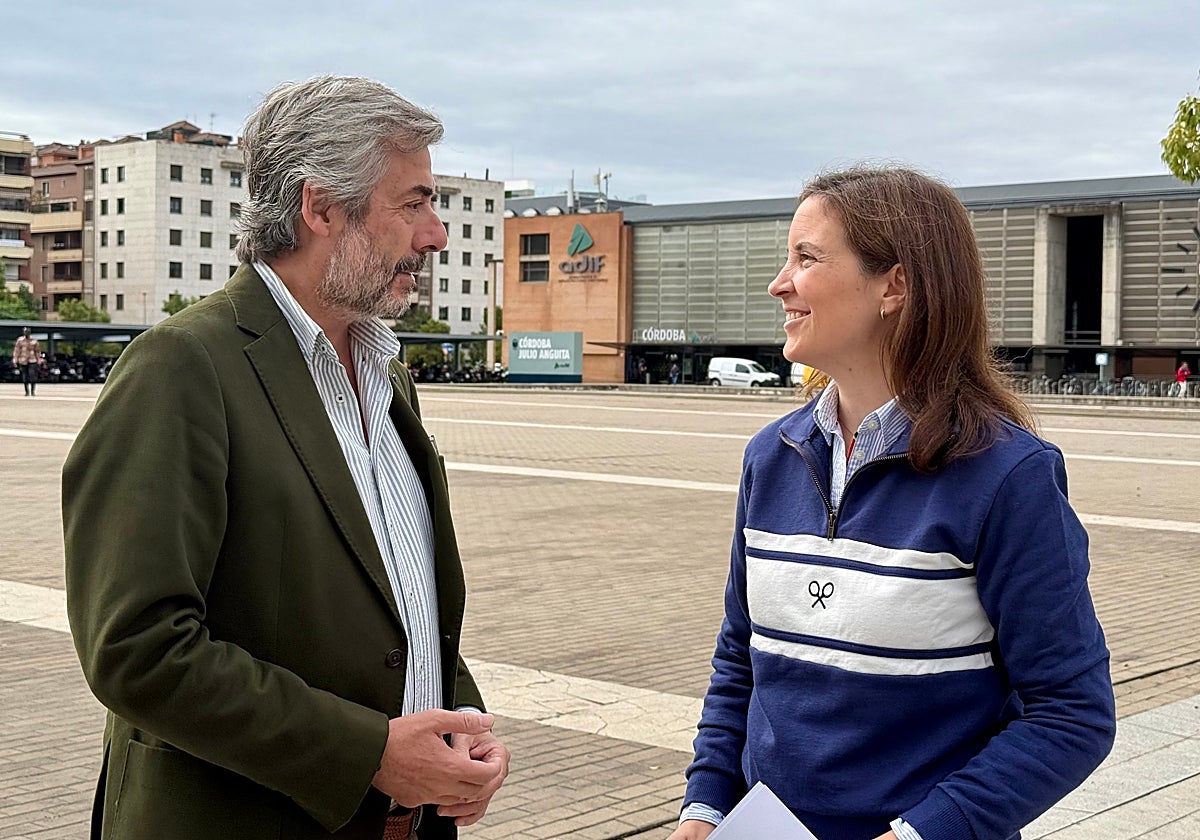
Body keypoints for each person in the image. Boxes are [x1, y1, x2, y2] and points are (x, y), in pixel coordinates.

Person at [63, 76, 509, 840]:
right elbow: (137, 648)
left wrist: (459, 722)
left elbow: (400, 605)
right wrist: (367, 752)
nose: (436, 235)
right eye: (414, 203)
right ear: (321, 208)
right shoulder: (181, 368)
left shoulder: (386, 372)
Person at [671, 167, 1115, 840]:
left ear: (895, 286)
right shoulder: (771, 458)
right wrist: (704, 808)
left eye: (806, 258)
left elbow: (1072, 713)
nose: (778, 283)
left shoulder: (1009, 476)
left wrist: (919, 834)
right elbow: (741, 657)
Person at [12, 326, 39, 396]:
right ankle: (27, 391)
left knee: (32, 375)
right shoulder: (20, 340)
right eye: (25, 331)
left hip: (32, 360)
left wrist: (39, 359)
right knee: (25, 376)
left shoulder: (34, 341)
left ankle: (33, 391)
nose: (26, 333)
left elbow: (37, 351)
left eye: (28, 332)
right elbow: (17, 350)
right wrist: (15, 359)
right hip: (23, 360)